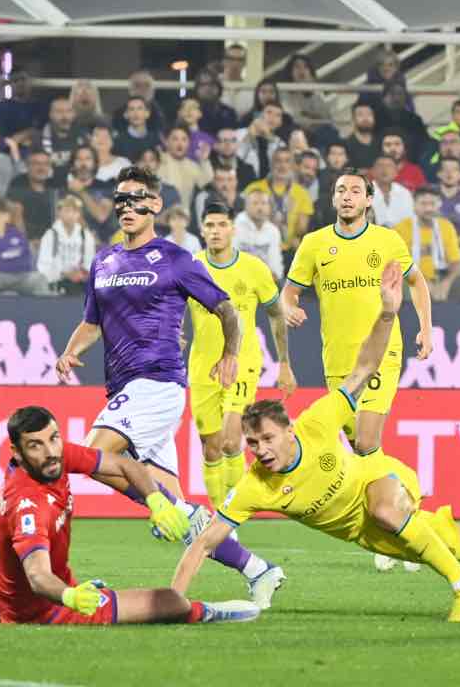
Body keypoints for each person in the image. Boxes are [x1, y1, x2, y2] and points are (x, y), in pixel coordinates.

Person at [182, 261, 460, 623]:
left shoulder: (318, 422)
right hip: (369, 534)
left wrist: (388, 312)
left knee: (384, 506)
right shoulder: (256, 486)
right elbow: (205, 542)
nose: (257, 450)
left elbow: (363, 368)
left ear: (289, 430)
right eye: (252, 443)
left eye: (264, 439)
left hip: (382, 480)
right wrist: (174, 597)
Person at [55, 166, 285, 608]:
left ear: (155, 205)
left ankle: (69, 568)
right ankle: (258, 569)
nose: (126, 207)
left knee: (91, 452)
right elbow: (92, 323)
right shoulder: (103, 261)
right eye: (119, 199)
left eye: (136, 198)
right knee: (179, 512)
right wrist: (70, 351)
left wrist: (230, 354)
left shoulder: (177, 259)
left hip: (157, 381)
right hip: (124, 385)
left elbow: (226, 309)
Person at [0, 405, 260, 626]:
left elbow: (124, 465)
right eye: (36, 446)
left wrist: (156, 500)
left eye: (53, 438)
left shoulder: (56, 459)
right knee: (167, 601)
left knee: (20, 591)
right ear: (15, 452)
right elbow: (37, 576)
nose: (50, 452)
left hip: (5, 594)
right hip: (44, 607)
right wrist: (69, 597)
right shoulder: (27, 504)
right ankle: (207, 612)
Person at [282, 167, 434, 463]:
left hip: (381, 354)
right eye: (341, 191)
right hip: (338, 357)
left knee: (366, 441)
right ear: (333, 199)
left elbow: (417, 281)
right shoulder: (314, 243)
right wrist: (290, 307)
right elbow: (289, 291)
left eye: (355, 191)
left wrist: (425, 328)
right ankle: (386, 500)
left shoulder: (387, 240)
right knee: (358, 448)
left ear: (368, 201)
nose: (347, 197)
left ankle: (397, 502)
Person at [188, 201, 295, 510]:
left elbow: (276, 314)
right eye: (210, 225)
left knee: (231, 441)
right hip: (202, 367)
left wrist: (284, 363)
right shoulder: (192, 268)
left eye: (222, 225)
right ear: (202, 230)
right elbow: (168, 308)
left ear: (233, 229)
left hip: (242, 363)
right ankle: (219, 513)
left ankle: (229, 517)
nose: (216, 231)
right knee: (211, 449)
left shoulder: (254, 268)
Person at [394, 186, 460, 302]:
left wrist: (446, 283)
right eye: (423, 204)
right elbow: (399, 264)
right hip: (411, 278)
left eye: (432, 203)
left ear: (438, 205)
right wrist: (424, 283)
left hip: (441, 276)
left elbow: (455, 261)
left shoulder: (446, 226)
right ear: (414, 206)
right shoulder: (401, 228)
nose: (428, 208)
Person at [0, 197, 48, 296]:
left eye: (2, 213)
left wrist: (0, 259)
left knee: (39, 278)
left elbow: (26, 262)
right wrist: (11, 258)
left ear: (8, 216)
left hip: (21, 275)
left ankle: (42, 311)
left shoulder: (17, 234)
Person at [36, 193, 96, 295]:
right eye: (67, 211)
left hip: (80, 283)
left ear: (79, 214)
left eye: (75, 211)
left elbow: (90, 263)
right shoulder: (50, 235)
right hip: (56, 283)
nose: (71, 215)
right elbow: (43, 267)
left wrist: (82, 273)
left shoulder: (85, 236)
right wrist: (64, 274)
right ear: (59, 212)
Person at [369, 154, 414, 228]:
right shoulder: (363, 192)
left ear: (396, 172)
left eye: (389, 166)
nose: (384, 169)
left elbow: (410, 219)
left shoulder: (404, 193)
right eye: (380, 166)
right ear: (372, 171)